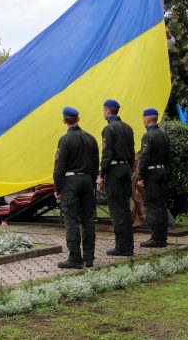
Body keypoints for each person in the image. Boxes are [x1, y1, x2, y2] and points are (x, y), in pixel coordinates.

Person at [53, 107, 99, 269]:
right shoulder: (90, 138)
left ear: (64, 120)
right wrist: (91, 181)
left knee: (71, 219)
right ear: (78, 119)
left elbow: (59, 167)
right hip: (87, 181)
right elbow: (95, 164)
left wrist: (58, 188)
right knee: (88, 219)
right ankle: (89, 257)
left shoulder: (65, 140)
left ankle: (75, 258)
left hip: (71, 182)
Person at [96, 99, 135, 257]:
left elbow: (107, 154)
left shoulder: (109, 129)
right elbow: (132, 151)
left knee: (116, 209)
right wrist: (130, 168)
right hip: (126, 168)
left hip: (114, 171)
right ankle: (129, 244)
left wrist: (101, 174)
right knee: (125, 208)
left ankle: (121, 247)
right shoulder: (128, 128)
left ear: (107, 111)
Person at [136, 108, 171, 248]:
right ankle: (162, 236)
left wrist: (140, 176)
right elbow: (168, 156)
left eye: (143, 118)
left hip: (151, 175)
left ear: (147, 119)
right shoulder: (163, 135)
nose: (143, 121)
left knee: (154, 206)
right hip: (162, 171)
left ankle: (156, 238)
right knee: (161, 205)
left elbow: (144, 158)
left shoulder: (148, 136)